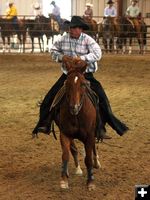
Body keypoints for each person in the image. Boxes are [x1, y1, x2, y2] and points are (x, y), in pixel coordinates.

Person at [32, 16, 129, 139]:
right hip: (68, 75)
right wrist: (61, 57)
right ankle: (45, 124)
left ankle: (101, 128)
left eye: (74, 28)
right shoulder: (63, 39)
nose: (71, 30)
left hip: (86, 75)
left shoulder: (88, 40)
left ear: (80, 29)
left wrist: (83, 58)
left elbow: (98, 53)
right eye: (70, 27)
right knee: (49, 98)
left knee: (102, 100)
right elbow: (53, 51)